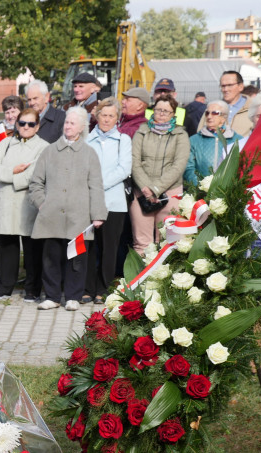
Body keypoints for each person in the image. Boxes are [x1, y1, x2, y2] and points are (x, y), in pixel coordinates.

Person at [29, 106, 107, 311]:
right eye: (66, 122)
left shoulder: (90, 154)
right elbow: (36, 182)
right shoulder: (49, 151)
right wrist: (42, 203)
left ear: (82, 128)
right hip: (51, 215)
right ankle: (52, 296)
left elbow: (96, 185)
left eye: (72, 123)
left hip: (79, 216)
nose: (67, 126)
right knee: (51, 258)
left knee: (77, 259)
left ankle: (73, 296)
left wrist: (98, 214)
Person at [0, 107, 48, 300]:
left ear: (37, 126)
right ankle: (5, 287)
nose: (26, 127)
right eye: (22, 123)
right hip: (6, 202)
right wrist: (12, 171)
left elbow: (36, 173)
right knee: (7, 246)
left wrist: (10, 178)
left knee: (32, 249)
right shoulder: (5, 143)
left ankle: (32, 288)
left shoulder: (44, 147)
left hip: (29, 202)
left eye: (31, 124)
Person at [85, 98, 131, 303]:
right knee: (89, 246)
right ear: (97, 116)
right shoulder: (86, 140)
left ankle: (102, 289)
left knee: (109, 247)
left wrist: (98, 184)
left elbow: (124, 169)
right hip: (88, 201)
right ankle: (87, 288)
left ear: (117, 118)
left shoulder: (124, 140)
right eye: (103, 115)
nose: (106, 119)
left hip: (114, 202)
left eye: (111, 116)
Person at [129, 94, 189, 252]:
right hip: (142, 192)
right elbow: (134, 161)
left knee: (167, 242)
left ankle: (163, 276)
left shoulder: (180, 135)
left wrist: (156, 189)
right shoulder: (142, 131)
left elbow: (179, 165)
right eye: (158, 110)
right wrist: (146, 188)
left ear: (173, 114)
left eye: (166, 111)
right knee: (142, 243)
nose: (161, 114)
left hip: (170, 192)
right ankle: (141, 276)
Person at [185, 100, 241, 185]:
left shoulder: (237, 140)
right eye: (207, 113)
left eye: (214, 113)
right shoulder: (194, 140)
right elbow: (188, 168)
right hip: (200, 193)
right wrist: (201, 187)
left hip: (228, 193)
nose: (209, 116)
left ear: (224, 117)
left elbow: (242, 169)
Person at [210, 70, 253, 137]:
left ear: (240, 86)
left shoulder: (254, 109)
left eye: (230, 85)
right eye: (223, 86)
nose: (225, 89)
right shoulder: (212, 109)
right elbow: (200, 135)